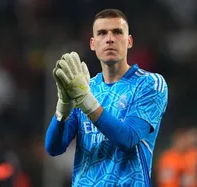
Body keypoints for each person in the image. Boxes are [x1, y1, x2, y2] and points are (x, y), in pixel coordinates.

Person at [45, 8, 168, 186]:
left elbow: (128, 139)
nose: (110, 39)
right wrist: (63, 107)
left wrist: (86, 100)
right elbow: (54, 148)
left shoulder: (149, 84)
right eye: (102, 33)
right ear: (93, 44)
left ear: (129, 41)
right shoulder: (86, 87)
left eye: (117, 32)